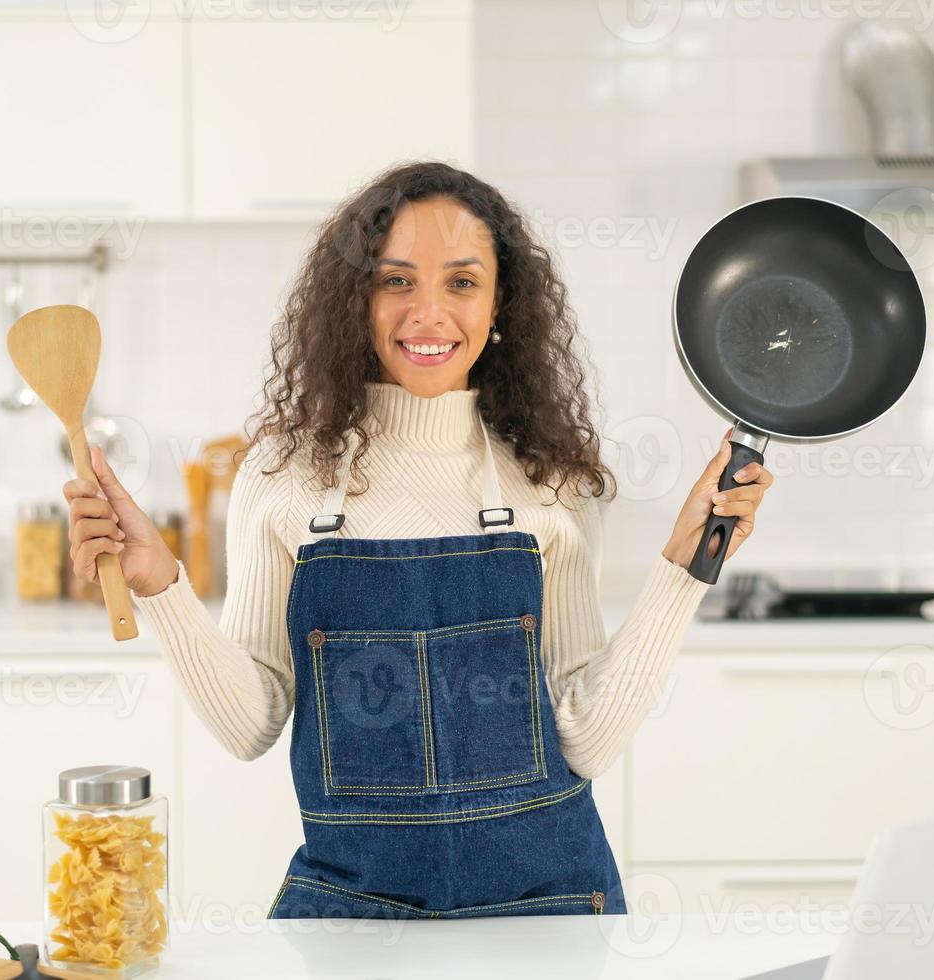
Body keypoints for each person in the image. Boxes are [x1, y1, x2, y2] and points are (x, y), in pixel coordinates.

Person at [64, 161, 774, 919]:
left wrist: (681, 570)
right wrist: (161, 585)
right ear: (354, 300)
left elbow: (585, 739)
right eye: (396, 280)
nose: (429, 312)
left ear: (501, 304)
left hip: (546, 915)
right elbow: (252, 724)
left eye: (462, 283)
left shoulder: (549, 481)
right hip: (356, 919)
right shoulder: (282, 477)